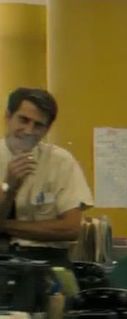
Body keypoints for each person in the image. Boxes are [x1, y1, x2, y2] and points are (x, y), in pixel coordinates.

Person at [0, 87, 93, 267]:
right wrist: (9, 186)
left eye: (38, 125)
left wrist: (5, 227)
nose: (29, 130)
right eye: (23, 120)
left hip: (48, 260)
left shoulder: (60, 161)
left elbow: (71, 228)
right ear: (8, 117)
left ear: (47, 129)